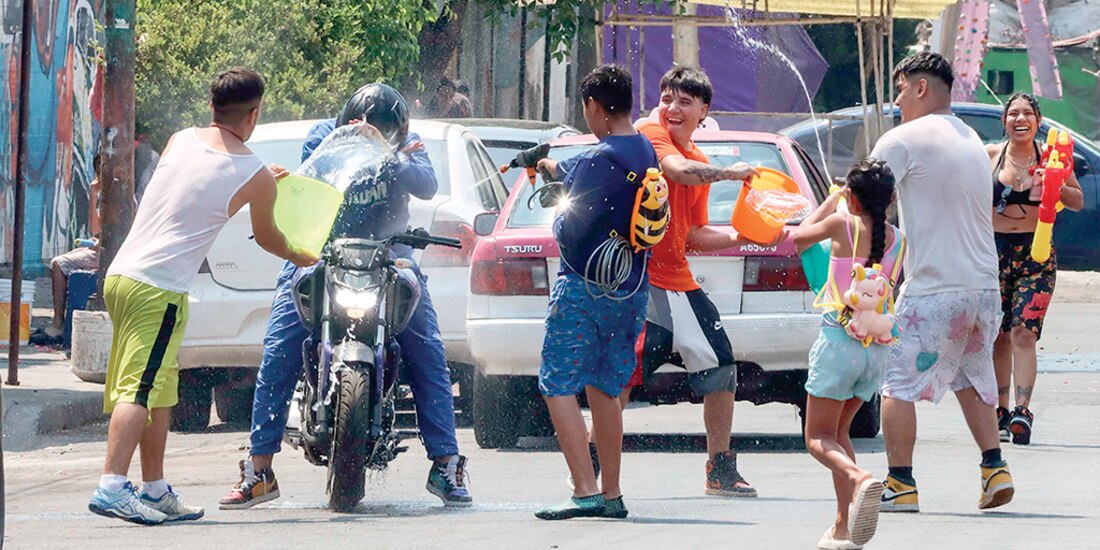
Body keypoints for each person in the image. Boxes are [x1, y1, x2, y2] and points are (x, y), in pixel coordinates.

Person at [219, 83, 473, 510]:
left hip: (390, 257)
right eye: (360, 125)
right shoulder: (324, 135)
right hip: (320, 253)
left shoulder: (407, 143)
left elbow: (427, 185)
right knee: (279, 348)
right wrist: (355, 142)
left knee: (428, 349)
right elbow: (315, 172)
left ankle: (446, 464)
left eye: (380, 128)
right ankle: (259, 469)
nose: (369, 130)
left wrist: (389, 151)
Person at [87, 67, 317, 525]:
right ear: (254, 114)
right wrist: (300, 254)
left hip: (124, 277)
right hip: (158, 289)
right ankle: (112, 486)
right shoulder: (254, 174)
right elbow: (269, 237)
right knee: (140, 388)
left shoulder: (181, 140)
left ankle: (154, 489)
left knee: (161, 389)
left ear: (212, 106)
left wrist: (261, 180)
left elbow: (200, 184)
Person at [871, 52, 1014, 513]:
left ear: (920, 88)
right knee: (971, 375)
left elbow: (863, 195)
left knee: (896, 382)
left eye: (900, 90)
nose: (896, 101)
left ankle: (900, 483)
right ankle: (994, 469)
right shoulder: (970, 138)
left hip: (934, 289)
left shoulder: (903, 139)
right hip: (983, 288)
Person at [634, 66, 769, 498]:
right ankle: (593, 459)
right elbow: (676, 171)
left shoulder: (702, 162)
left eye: (684, 101)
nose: (672, 109)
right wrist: (732, 174)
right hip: (640, 281)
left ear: (704, 111)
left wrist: (745, 236)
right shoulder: (650, 133)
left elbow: (692, 234)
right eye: (666, 99)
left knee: (721, 366)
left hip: (679, 280)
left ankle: (720, 468)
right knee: (625, 373)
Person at [532, 64, 658, 521]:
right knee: (606, 387)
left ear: (594, 106)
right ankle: (612, 493)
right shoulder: (644, 149)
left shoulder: (596, 161)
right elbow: (595, 179)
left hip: (584, 289)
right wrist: (553, 167)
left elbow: (571, 230)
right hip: (631, 289)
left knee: (557, 383)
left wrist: (557, 209)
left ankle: (584, 490)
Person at [794, 159, 905, 549]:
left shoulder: (842, 223)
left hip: (839, 344)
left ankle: (860, 478)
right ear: (891, 198)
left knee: (817, 438)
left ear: (852, 199)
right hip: (874, 352)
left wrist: (830, 202)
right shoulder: (899, 240)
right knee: (839, 433)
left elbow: (798, 239)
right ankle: (843, 525)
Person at [986, 92, 1083, 445]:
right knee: (998, 335)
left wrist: (1055, 186)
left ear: (1038, 121)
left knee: (1023, 333)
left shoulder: (1053, 158)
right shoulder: (990, 156)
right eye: (1013, 113)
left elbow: (1077, 201)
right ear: (1004, 121)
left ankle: (1021, 411)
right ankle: (999, 410)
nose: (1020, 119)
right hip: (992, 252)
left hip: (1036, 255)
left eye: (1027, 113)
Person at [32, 154, 103, 345]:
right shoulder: (112, 195)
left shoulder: (118, 197)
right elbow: (97, 231)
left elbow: (97, 229)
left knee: (58, 263)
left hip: (109, 254)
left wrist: (93, 195)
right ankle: (60, 319)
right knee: (69, 256)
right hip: (101, 249)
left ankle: (58, 323)